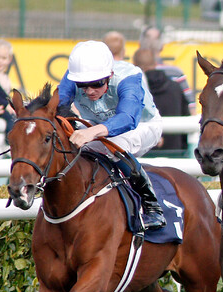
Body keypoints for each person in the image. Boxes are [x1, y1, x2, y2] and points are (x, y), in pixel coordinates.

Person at [57, 40, 165, 229]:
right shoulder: (72, 76)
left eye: (97, 84)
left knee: (111, 144)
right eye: (83, 85)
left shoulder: (128, 77)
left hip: (141, 125)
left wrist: (91, 132)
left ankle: (152, 206)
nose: (90, 91)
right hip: (99, 125)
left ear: (110, 75)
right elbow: (58, 106)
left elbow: (127, 118)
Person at [133, 48, 189, 154]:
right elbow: (186, 115)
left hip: (143, 152)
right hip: (175, 152)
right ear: (155, 63)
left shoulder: (133, 89)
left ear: (134, 64)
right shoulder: (175, 87)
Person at [140, 26, 196, 114]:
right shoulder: (176, 73)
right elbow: (191, 105)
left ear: (140, 43)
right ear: (162, 45)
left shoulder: (132, 72)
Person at [0, 39, 16, 134]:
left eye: (3, 58)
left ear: (9, 59)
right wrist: (6, 104)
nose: (0, 61)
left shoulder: (5, 77)